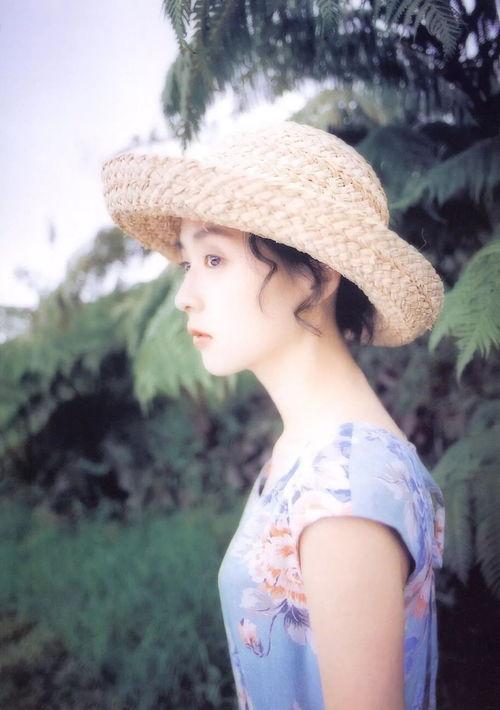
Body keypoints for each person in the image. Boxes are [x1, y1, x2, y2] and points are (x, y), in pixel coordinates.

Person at [101, 120, 446, 710]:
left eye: (215, 258)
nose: (185, 296)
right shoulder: (310, 450)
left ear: (318, 274)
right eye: (188, 263)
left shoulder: (346, 493)